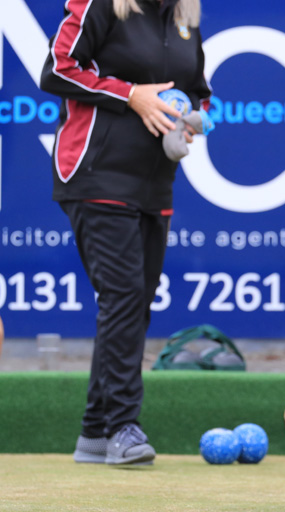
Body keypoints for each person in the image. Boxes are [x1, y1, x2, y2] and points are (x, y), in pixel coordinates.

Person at [40, 0, 211, 466]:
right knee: (123, 296)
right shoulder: (98, 4)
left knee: (134, 302)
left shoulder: (183, 16)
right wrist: (130, 94)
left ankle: (95, 432)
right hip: (95, 174)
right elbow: (56, 70)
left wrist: (192, 118)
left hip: (155, 182)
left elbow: (197, 90)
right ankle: (121, 427)